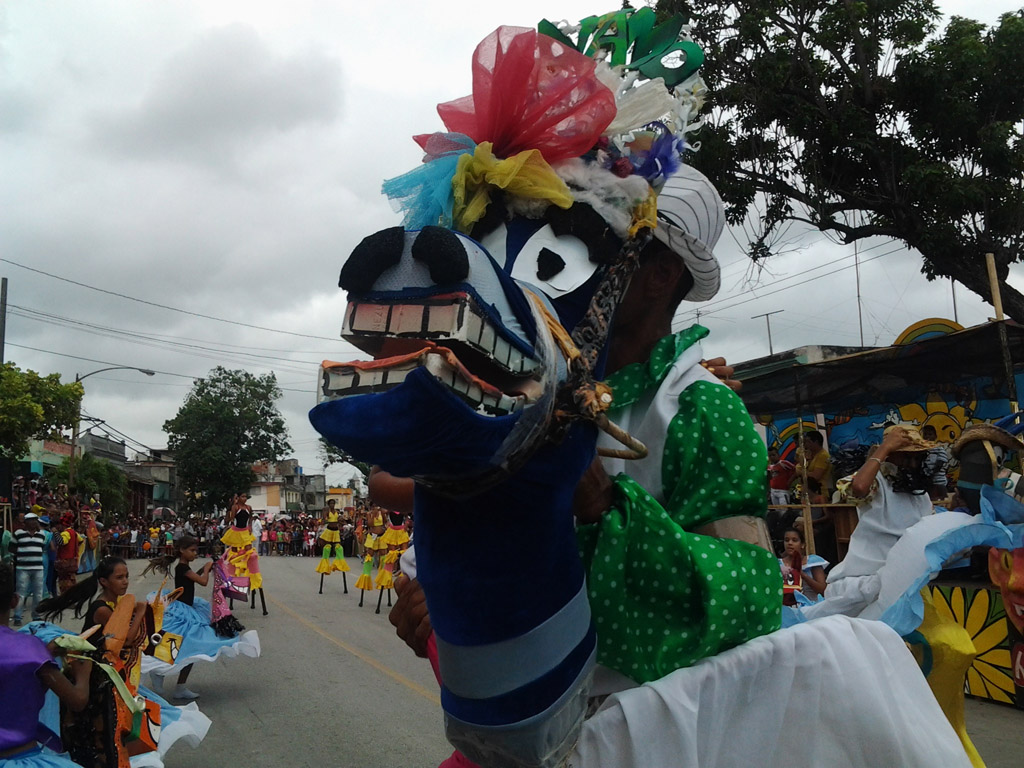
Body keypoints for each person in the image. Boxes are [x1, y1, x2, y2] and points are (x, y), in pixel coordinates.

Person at [803, 424, 937, 619]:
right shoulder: (878, 481)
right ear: (890, 455)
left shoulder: (919, 494)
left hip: (905, 579)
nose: (913, 463)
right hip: (865, 581)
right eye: (906, 456)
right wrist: (884, 448)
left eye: (917, 457)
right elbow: (858, 487)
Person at [0, 562, 92, 768]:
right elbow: (77, 700)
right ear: (15, 601)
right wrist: (83, 672)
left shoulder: (33, 652)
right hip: (21, 758)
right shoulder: (30, 649)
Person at [141, 536, 252, 700]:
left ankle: (180, 686)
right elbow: (203, 582)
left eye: (196, 550)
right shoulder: (181, 568)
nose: (195, 553)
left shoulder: (185, 568)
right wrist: (206, 570)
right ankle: (158, 672)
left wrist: (204, 568)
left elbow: (194, 577)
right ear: (182, 551)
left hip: (190, 607)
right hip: (182, 612)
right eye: (192, 551)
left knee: (193, 650)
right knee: (176, 645)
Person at [11, 512, 47, 626]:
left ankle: (36, 616)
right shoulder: (18, 534)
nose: (34, 523)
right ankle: (17, 616)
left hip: (38, 567)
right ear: (26, 523)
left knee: (38, 594)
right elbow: (11, 548)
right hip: (23, 568)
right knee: (21, 593)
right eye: (31, 521)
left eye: (35, 520)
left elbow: (41, 548)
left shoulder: (42, 534)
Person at [779, 527, 828, 605]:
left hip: (813, 606)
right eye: (786, 540)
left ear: (802, 544)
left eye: (794, 540)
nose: (790, 543)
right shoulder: (778, 564)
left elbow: (823, 591)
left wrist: (803, 575)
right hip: (787, 607)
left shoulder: (813, 562)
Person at [920, 424, 950, 501]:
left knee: (942, 500)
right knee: (929, 500)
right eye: (925, 434)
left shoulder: (939, 449)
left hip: (939, 480)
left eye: (930, 434)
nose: (927, 437)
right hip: (926, 482)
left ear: (935, 436)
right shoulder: (922, 450)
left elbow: (940, 464)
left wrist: (931, 475)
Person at [801, 430, 833, 499]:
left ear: (816, 442)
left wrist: (802, 472)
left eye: (808, 442)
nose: (806, 444)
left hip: (819, 492)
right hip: (809, 492)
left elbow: (816, 476)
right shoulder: (811, 455)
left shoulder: (823, 456)